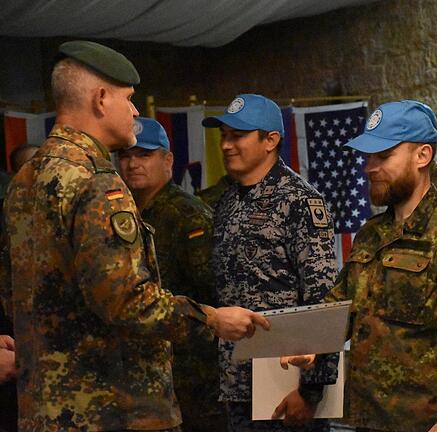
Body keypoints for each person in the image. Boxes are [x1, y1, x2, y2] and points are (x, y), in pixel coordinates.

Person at [0, 40, 268, 431]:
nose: (135, 111)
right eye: (129, 99)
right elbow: (125, 300)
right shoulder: (96, 181)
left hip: (46, 409)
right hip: (114, 409)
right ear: (101, 99)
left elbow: (11, 288)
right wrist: (210, 319)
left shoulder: (25, 178)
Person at [325, 100, 437, 432]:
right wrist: (306, 345)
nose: (370, 167)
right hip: (366, 417)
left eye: (384, 156)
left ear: (422, 156)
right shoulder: (371, 235)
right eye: (369, 157)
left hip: (423, 421)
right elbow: (339, 306)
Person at [203, 94, 339, 432]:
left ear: (270, 140)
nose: (227, 145)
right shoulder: (227, 202)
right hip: (238, 383)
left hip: (284, 385)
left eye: (238, 136)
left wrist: (311, 390)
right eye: (224, 136)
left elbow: (322, 299)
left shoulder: (300, 201)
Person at [117, 117, 224, 431]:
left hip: (195, 376)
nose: (133, 164)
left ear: (167, 160)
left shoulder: (188, 215)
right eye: (126, 155)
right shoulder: (123, 215)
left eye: (144, 155)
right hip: (147, 377)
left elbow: (215, 291)